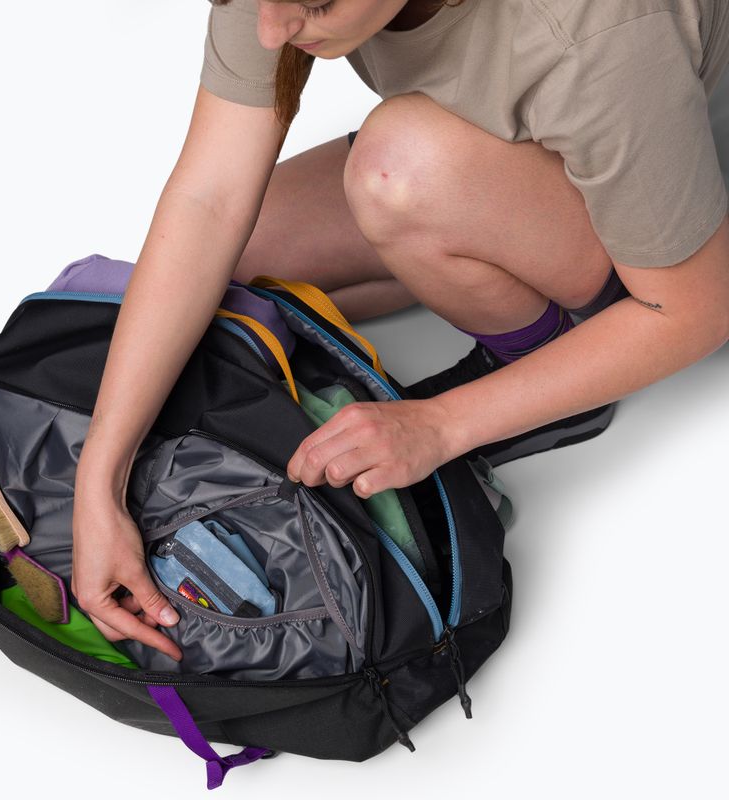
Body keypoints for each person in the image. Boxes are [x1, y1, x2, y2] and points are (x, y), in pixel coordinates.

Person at [71, 0, 729, 662]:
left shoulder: (592, 26)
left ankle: (544, 356)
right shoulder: (277, 5)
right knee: (234, 265)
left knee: (397, 170)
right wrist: (99, 481)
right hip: (549, 128)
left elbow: (696, 308)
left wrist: (440, 425)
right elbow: (208, 202)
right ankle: (452, 229)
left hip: (663, 178)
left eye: (316, 2)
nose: (270, 30)